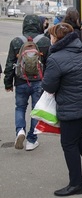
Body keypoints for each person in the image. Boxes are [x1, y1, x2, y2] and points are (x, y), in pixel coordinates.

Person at [41, 23, 82, 196]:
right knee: (77, 137)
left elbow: (49, 86)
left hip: (72, 107)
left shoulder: (55, 58)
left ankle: (76, 184)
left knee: (68, 143)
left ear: (57, 38)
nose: (50, 39)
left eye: (51, 36)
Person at [4, 14, 51, 151]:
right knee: (36, 110)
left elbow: (9, 64)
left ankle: (20, 131)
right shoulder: (45, 41)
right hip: (39, 81)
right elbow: (50, 64)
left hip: (21, 80)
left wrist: (8, 83)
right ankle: (31, 140)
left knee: (20, 107)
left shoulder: (16, 41)